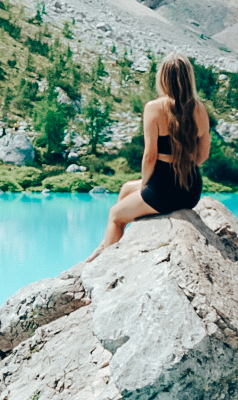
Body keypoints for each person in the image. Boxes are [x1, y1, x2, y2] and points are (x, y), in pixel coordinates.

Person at [87, 53, 211, 259]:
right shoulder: (199, 108)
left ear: (162, 78)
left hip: (164, 187)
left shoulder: (154, 107)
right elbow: (203, 155)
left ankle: (108, 258)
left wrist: (147, 185)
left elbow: (150, 157)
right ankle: (108, 243)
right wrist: (183, 167)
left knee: (115, 215)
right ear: (189, 78)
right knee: (126, 188)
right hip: (191, 189)